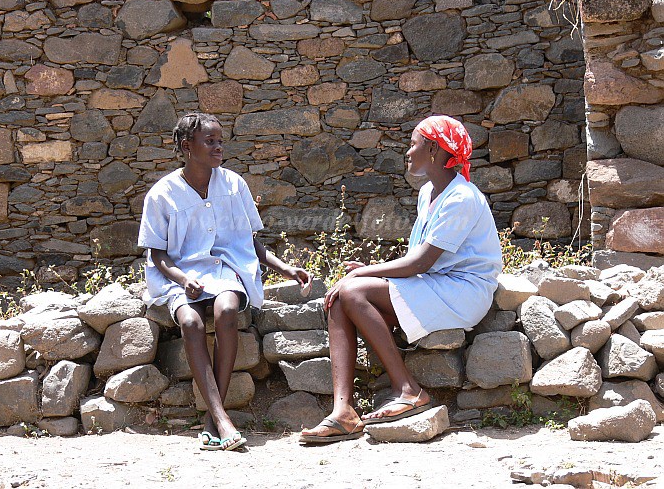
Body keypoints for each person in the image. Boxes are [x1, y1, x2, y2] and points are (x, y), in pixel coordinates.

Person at [300, 115, 502, 444]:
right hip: (437, 286)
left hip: (463, 293)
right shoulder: (429, 193)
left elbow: (421, 262)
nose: (407, 152)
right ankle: (343, 413)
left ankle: (408, 390)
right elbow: (418, 259)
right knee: (343, 296)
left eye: (413, 144)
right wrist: (371, 268)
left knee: (353, 289)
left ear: (435, 150)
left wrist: (366, 272)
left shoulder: (462, 197)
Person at [138, 112, 312, 451]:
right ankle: (219, 416)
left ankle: (215, 418)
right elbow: (157, 254)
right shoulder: (162, 195)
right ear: (187, 147)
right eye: (210, 142)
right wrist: (182, 277)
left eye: (220, 141)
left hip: (224, 268)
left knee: (227, 310)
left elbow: (248, 242)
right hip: (179, 274)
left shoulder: (234, 185)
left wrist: (284, 268)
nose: (219, 147)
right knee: (190, 321)